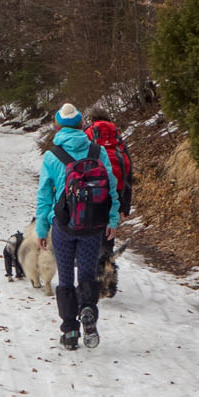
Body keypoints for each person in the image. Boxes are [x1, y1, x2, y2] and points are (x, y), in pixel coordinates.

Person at [35, 102, 119, 349]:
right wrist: (112, 220)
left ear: (58, 126)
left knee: (65, 278)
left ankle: (70, 331)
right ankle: (88, 311)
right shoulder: (97, 151)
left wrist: (41, 229)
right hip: (93, 225)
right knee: (87, 274)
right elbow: (111, 186)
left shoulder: (52, 156)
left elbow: (44, 196)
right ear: (82, 125)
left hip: (63, 226)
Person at [84, 108, 133, 294]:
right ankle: (109, 278)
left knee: (92, 235)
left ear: (92, 119)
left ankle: (95, 281)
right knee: (108, 236)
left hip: (94, 191)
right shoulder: (117, 136)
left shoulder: (88, 133)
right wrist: (124, 205)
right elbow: (129, 169)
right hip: (117, 192)